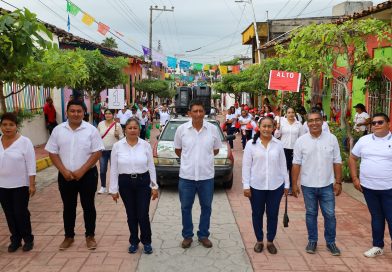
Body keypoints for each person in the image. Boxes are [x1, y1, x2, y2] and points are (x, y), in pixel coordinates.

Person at [45, 100, 104, 250]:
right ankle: (68, 236)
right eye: (72, 111)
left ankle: (90, 236)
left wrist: (82, 170)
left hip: (88, 175)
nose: (76, 114)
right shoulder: (58, 130)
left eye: (79, 111)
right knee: (68, 207)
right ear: (67, 112)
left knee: (88, 206)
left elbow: (97, 152)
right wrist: (64, 171)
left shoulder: (91, 130)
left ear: (84, 113)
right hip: (65, 176)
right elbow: (52, 152)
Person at [291, 109, 343, 256]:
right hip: (308, 185)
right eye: (311, 121)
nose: (314, 123)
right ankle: (312, 240)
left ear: (322, 121)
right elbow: (296, 164)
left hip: (327, 185)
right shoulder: (301, 141)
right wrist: (294, 184)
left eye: (317, 120)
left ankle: (331, 242)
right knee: (311, 214)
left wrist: (338, 182)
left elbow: (337, 161)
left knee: (330, 215)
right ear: (307, 124)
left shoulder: (331, 139)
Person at [174, 100, 222, 249]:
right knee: (185, 207)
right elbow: (178, 149)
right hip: (186, 177)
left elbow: (216, 149)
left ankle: (203, 235)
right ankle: (187, 236)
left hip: (206, 177)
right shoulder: (181, 130)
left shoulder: (213, 130)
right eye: (195, 111)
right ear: (189, 113)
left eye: (201, 111)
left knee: (206, 207)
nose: (198, 114)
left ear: (204, 112)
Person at [109, 117, 159, 254]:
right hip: (125, 183)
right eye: (129, 128)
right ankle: (133, 241)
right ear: (125, 130)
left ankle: (147, 242)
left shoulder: (145, 145)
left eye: (135, 128)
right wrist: (113, 189)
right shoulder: (117, 146)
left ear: (139, 129)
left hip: (143, 182)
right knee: (131, 214)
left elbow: (151, 166)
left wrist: (154, 186)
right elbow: (113, 168)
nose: (132, 130)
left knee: (143, 214)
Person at [242, 117, 289, 254]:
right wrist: (246, 185)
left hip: (276, 186)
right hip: (256, 186)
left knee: (273, 214)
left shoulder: (278, 145)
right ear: (259, 126)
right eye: (264, 126)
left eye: (269, 126)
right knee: (257, 214)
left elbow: (283, 165)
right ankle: (259, 240)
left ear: (273, 128)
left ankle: (270, 241)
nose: (267, 129)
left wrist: (287, 185)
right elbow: (246, 166)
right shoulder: (251, 144)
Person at [348, 113, 392, 258]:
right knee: (376, 217)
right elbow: (353, 158)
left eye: (380, 122)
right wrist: (354, 178)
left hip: (389, 188)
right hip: (369, 188)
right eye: (373, 123)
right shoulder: (364, 140)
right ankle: (377, 246)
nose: (376, 125)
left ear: (388, 124)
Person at [0, 112, 36, 252]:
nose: (7, 128)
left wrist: (31, 184)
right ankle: (15, 239)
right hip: (2, 185)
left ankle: (28, 239)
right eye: (4, 125)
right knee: (9, 213)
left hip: (21, 185)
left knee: (20, 212)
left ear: (16, 126)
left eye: (11, 125)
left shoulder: (25, 142)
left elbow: (31, 165)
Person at [274, 107, 304, 193]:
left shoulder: (299, 124)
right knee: (283, 168)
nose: (291, 114)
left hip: (295, 150)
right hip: (283, 148)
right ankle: (282, 186)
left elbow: (301, 138)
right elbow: (276, 136)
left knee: (292, 168)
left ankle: (291, 186)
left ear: (295, 113)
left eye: (292, 112)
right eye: (289, 112)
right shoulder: (282, 123)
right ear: (286, 113)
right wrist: (277, 128)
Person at [97, 109, 122, 194]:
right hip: (103, 151)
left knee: (114, 170)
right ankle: (103, 186)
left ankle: (115, 186)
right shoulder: (100, 124)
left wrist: (118, 135)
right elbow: (97, 136)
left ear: (113, 115)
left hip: (113, 151)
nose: (107, 115)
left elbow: (122, 139)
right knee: (103, 170)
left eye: (109, 113)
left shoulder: (117, 125)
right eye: (106, 113)